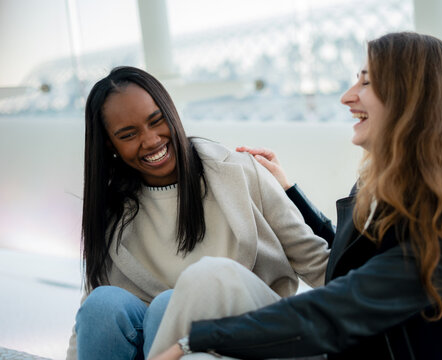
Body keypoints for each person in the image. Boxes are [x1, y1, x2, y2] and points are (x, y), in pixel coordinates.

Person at [149, 32, 442, 360]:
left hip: (344, 344)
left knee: (199, 351)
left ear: (411, 99)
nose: (347, 96)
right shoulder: (379, 191)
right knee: (209, 277)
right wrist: (289, 192)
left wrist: (197, 339)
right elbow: (351, 265)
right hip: (344, 351)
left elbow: (349, 303)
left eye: (366, 82)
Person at [65, 66, 330, 360]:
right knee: (103, 304)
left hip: (242, 332)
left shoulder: (240, 171)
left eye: (157, 120)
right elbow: (89, 314)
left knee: (170, 303)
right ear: (109, 145)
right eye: (129, 134)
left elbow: (316, 263)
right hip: (156, 333)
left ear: (172, 112)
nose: (151, 140)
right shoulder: (111, 209)